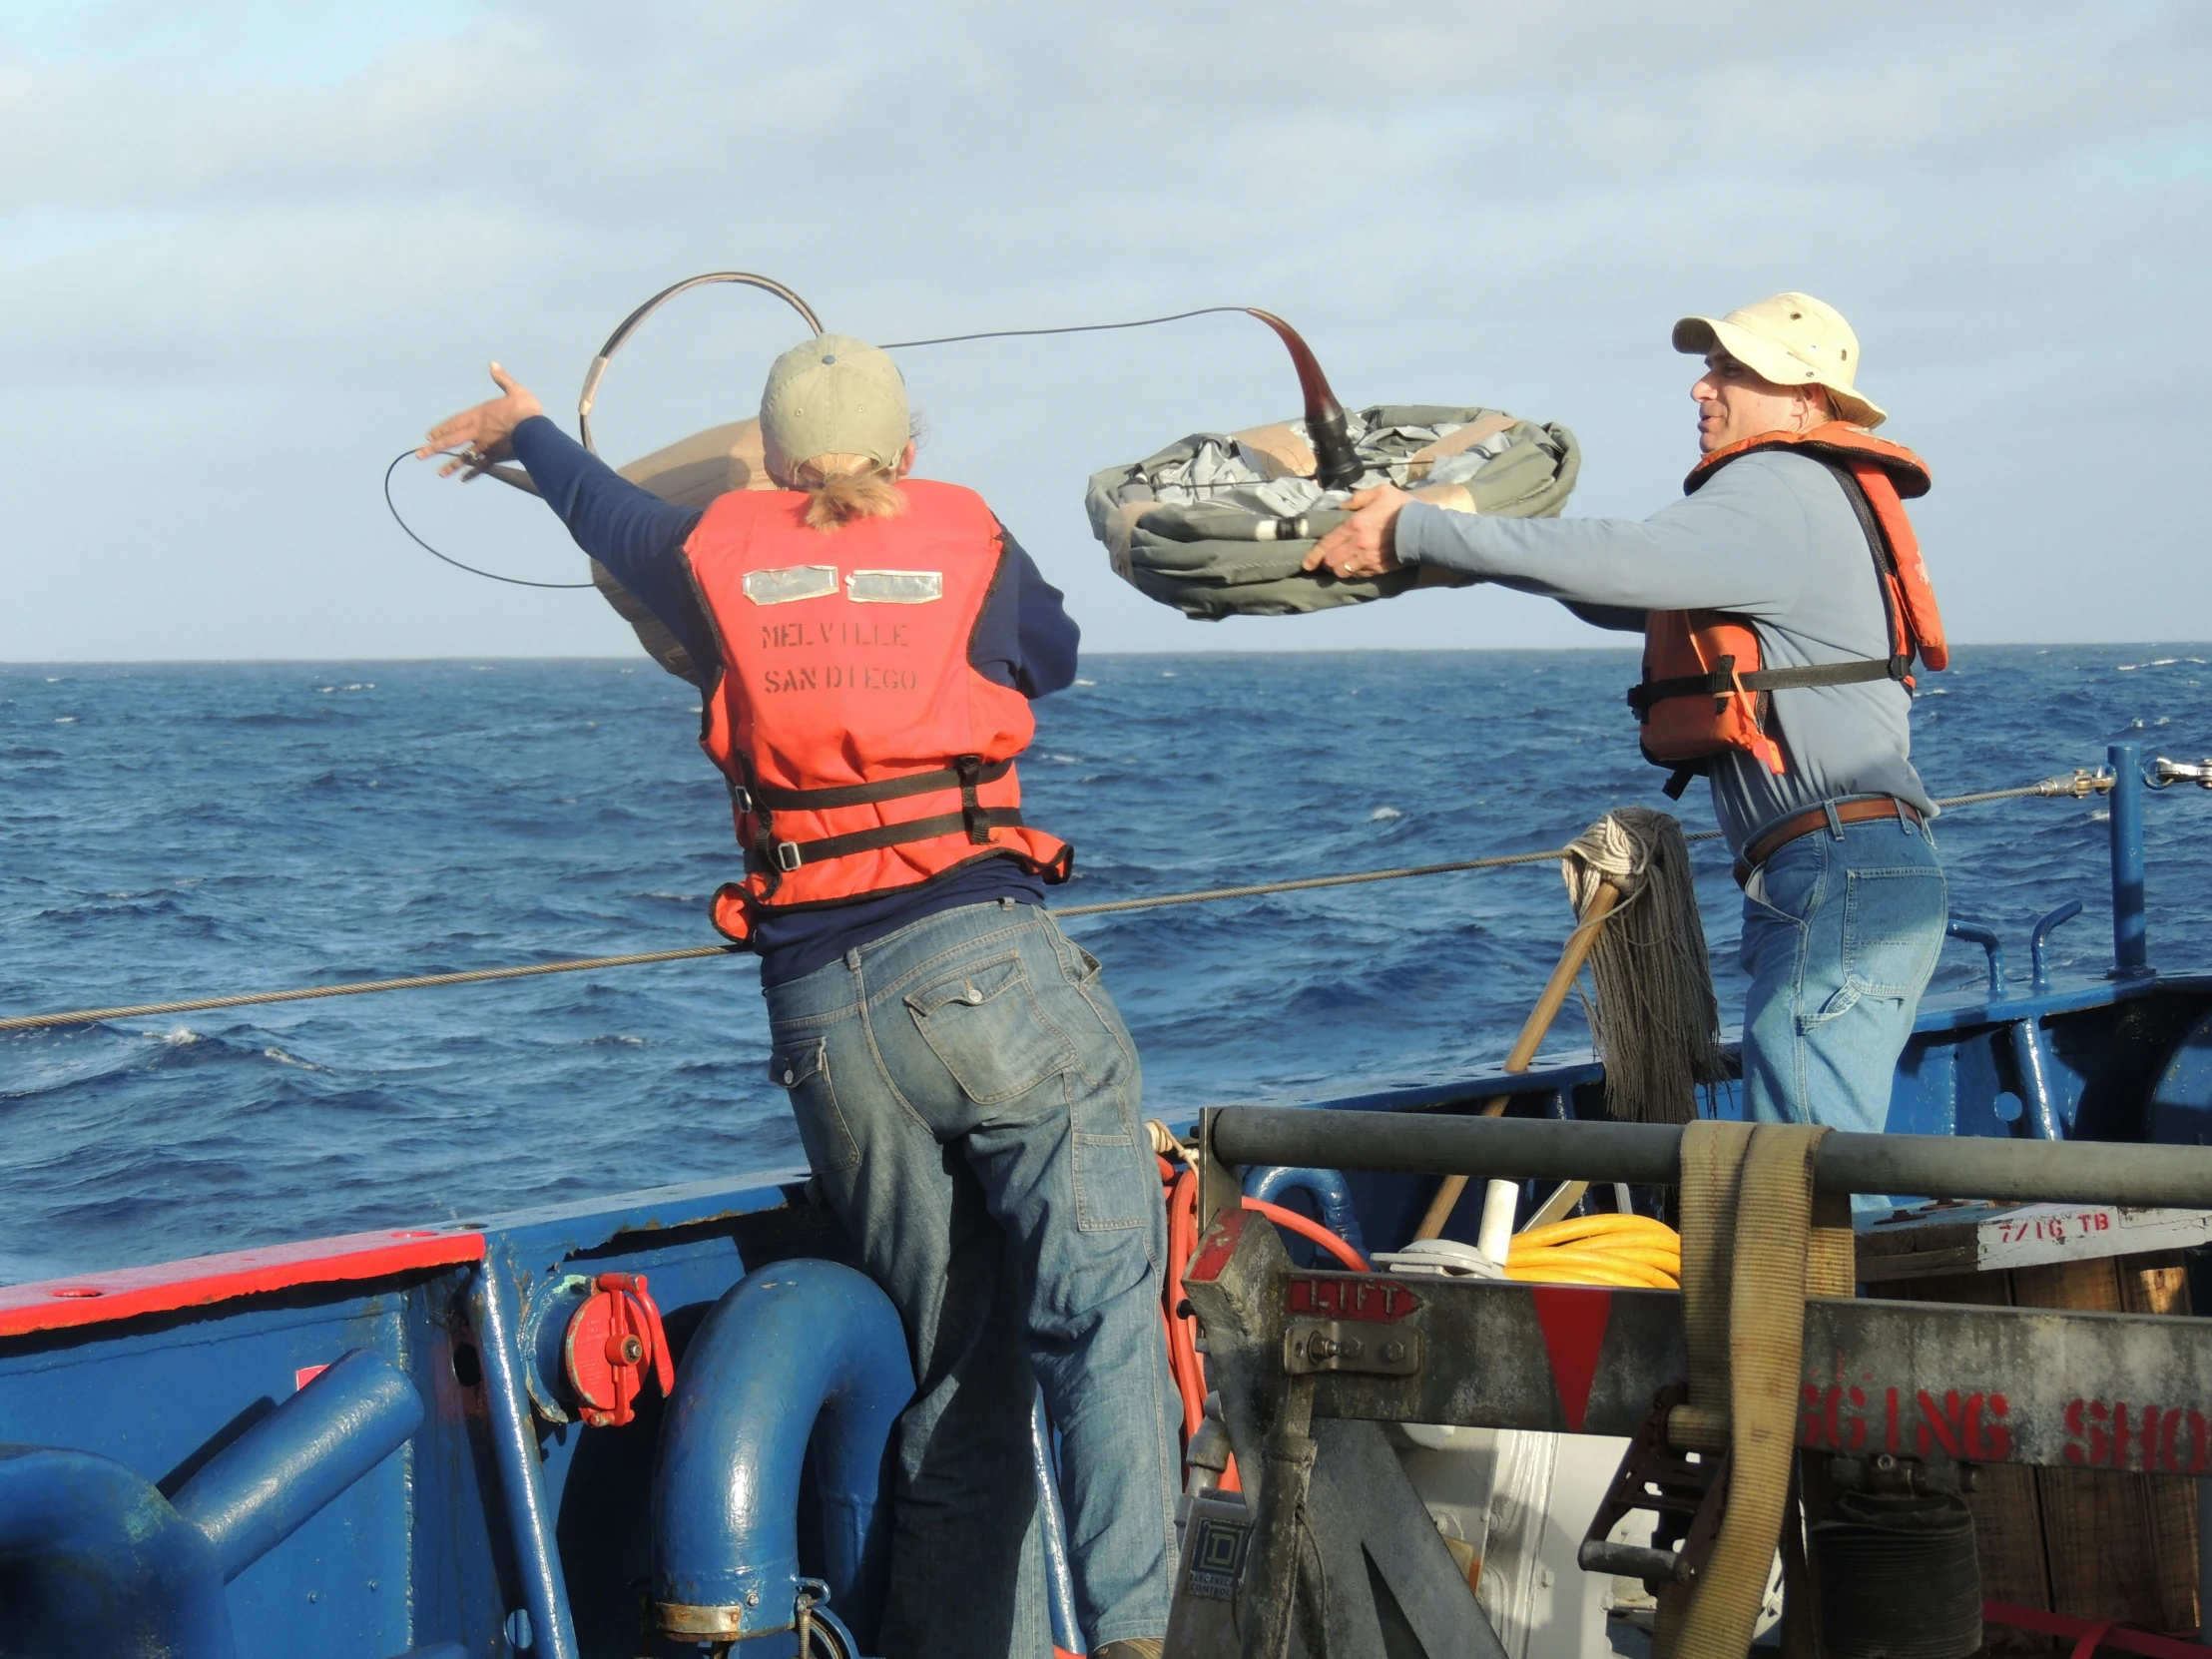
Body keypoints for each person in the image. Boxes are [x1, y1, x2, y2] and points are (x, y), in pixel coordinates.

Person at [421, 338, 1176, 1659]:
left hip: (826, 1021)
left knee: (958, 1379)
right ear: (909, 449)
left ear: (771, 457)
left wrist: (526, 428)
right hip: (989, 974)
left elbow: (602, 507)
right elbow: (1045, 656)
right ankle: (1142, 1636)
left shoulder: (714, 546)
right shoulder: (966, 531)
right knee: (1099, 1312)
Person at [1306, 293, 1948, 1148]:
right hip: (1842, 870)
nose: (1701, 389)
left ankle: (1809, 1285)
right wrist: (1459, 551)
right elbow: (1622, 597)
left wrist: (1416, 524)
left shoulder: (1778, 483)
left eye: (1729, 370)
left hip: (1838, 866)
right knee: (1806, 1148)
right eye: (1709, 368)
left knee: (1799, 1168)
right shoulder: (1802, 493)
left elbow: (1619, 558)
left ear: (1804, 399)